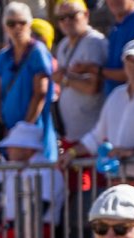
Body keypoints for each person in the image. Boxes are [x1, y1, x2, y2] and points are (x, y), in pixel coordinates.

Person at [60, 38, 134, 238]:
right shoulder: (116, 95)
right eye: (129, 61)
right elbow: (97, 136)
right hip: (119, 180)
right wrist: (73, 152)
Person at [0, 3, 58, 164]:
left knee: (39, 178)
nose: (17, 28)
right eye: (11, 23)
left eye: (22, 22)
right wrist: (0, 125)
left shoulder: (38, 52)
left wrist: (23, 130)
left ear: (29, 24)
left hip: (33, 130)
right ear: (4, 27)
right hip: (9, 132)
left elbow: (40, 93)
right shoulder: (3, 56)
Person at [52, 0, 108, 146]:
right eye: (62, 18)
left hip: (91, 134)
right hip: (72, 133)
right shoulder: (63, 44)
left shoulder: (93, 42)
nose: (67, 21)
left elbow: (92, 87)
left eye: (72, 16)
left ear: (86, 15)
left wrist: (65, 79)